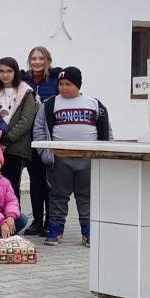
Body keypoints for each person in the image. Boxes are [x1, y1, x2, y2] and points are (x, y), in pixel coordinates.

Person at [33, 67, 112, 247]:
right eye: (60, 84)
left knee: (86, 196)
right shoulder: (50, 104)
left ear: (78, 84)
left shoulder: (94, 104)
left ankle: (88, 231)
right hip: (60, 158)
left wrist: (105, 154)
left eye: (68, 84)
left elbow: (107, 130)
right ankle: (56, 229)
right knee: (58, 196)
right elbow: (38, 129)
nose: (64, 87)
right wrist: (45, 153)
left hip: (88, 158)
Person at [20, 46, 63, 236]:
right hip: (29, 137)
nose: (37, 62)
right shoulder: (24, 80)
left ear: (48, 60)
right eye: (33, 59)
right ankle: (37, 220)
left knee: (49, 182)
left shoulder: (55, 79)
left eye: (41, 59)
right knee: (36, 182)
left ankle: (50, 221)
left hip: (49, 136)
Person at [0, 57, 37, 200]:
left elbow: (26, 121)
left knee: (12, 186)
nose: (5, 74)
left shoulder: (25, 91)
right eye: (1, 71)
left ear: (15, 72)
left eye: (9, 71)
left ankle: (14, 219)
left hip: (16, 147)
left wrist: (7, 138)